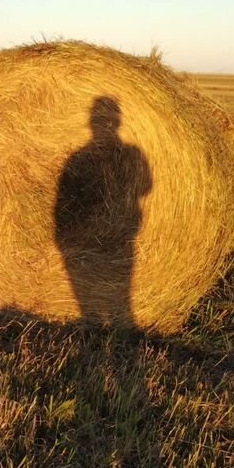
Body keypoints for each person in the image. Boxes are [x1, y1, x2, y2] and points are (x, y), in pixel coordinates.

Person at [54, 96, 152, 326]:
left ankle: (101, 323)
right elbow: (147, 186)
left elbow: (65, 196)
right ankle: (117, 325)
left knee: (107, 287)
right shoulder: (131, 153)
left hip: (119, 233)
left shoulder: (77, 157)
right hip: (122, 232)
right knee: (121, 290)